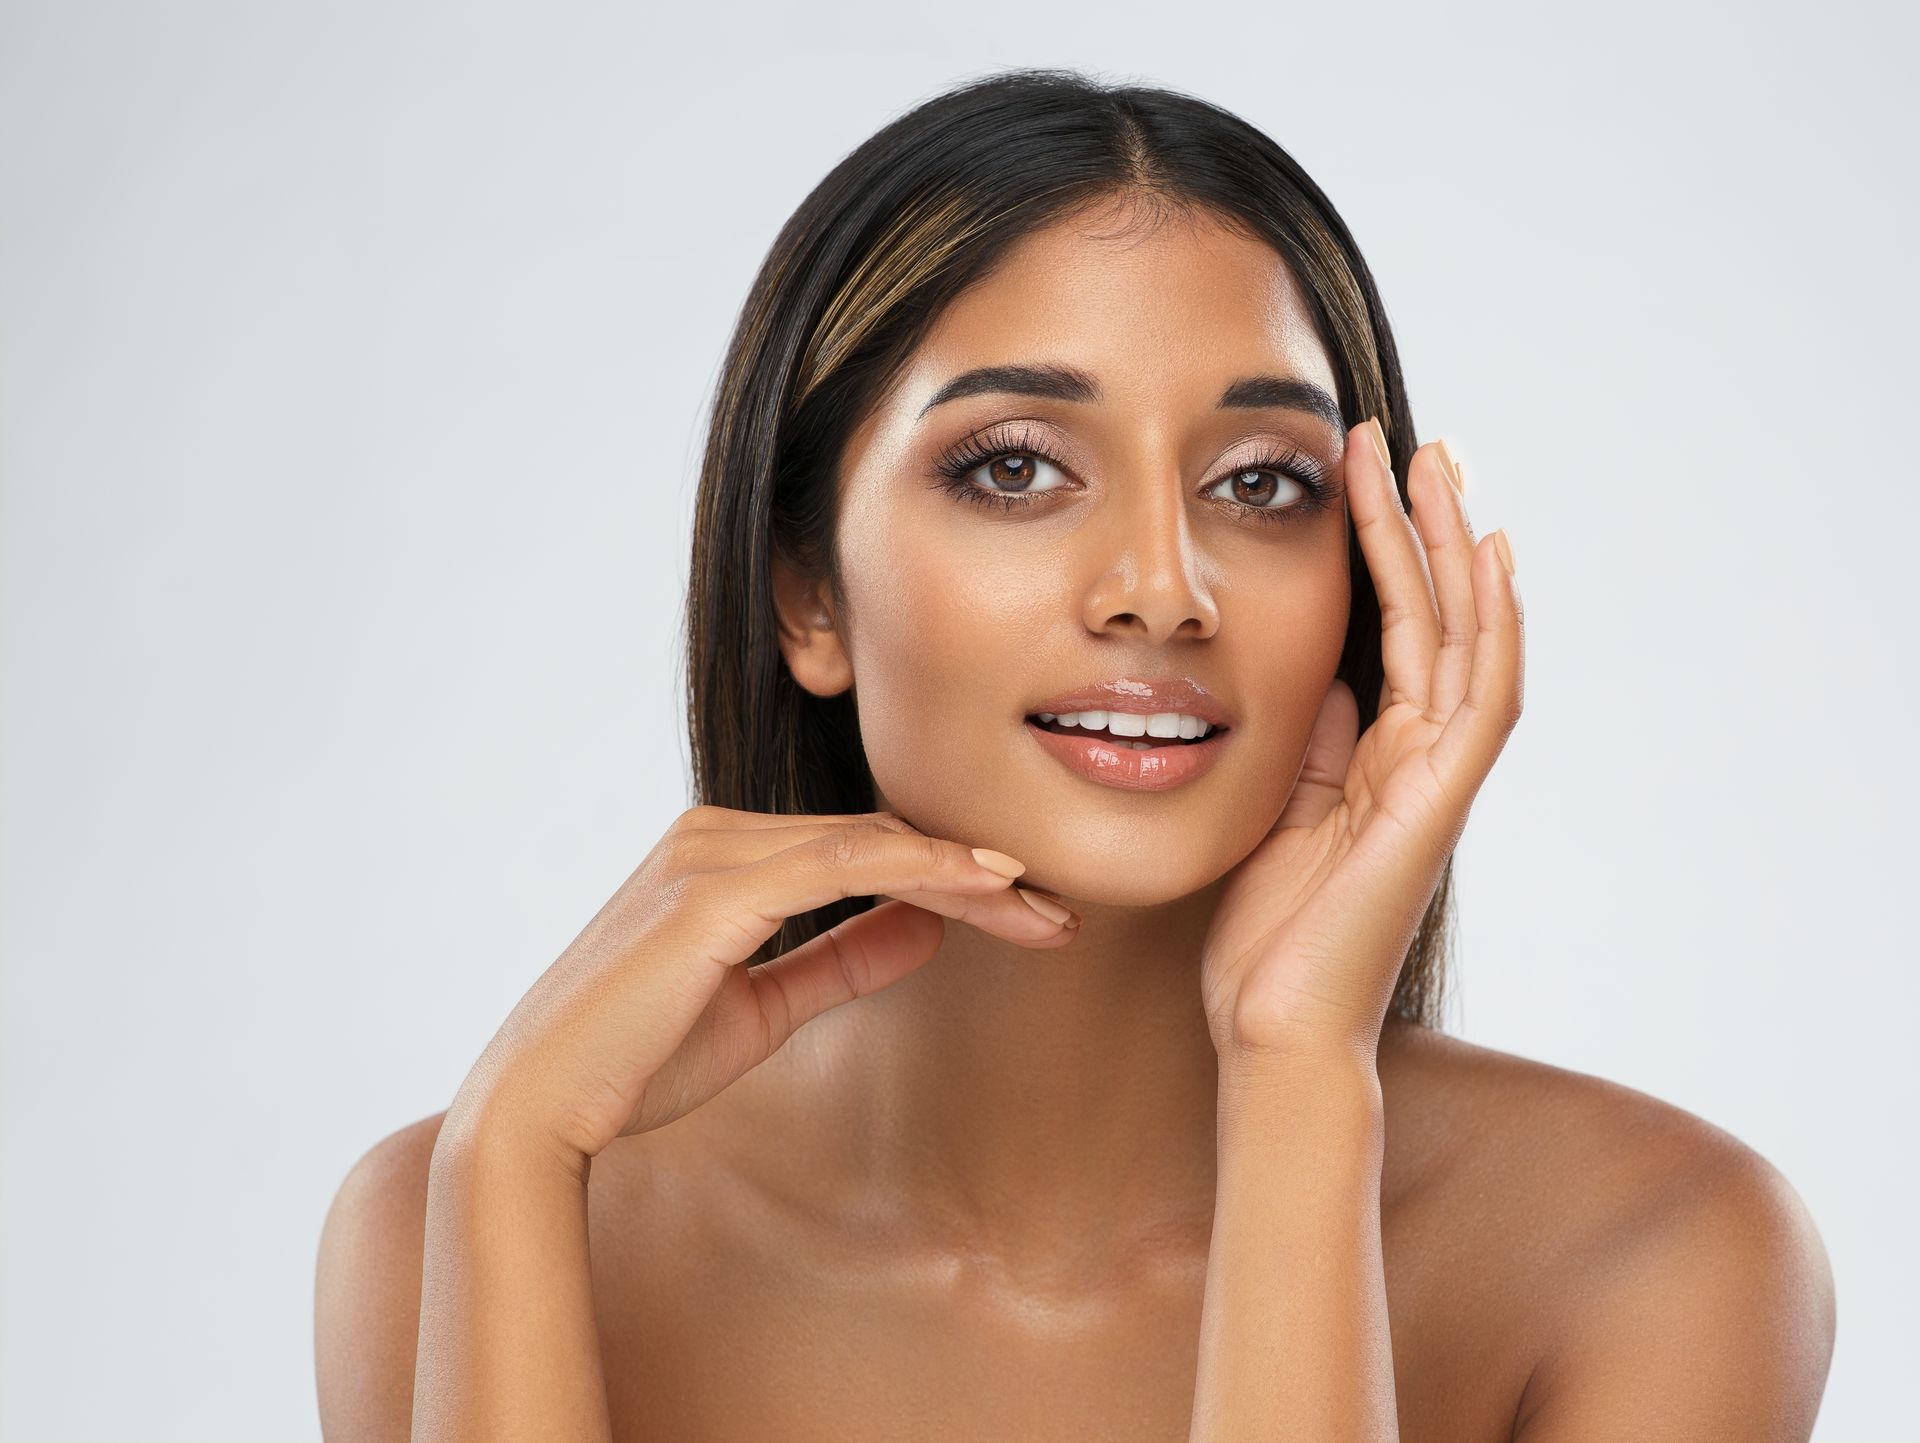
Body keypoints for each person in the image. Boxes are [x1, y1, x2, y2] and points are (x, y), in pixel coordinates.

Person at [315, 68, 1836, 1440]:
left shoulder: (1663, 1256)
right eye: (1016, 468)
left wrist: (1300, 1079)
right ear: (807, 593)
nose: (1161, 588)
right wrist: (510, 1162)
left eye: (1261, 483)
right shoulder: (462, 1222)